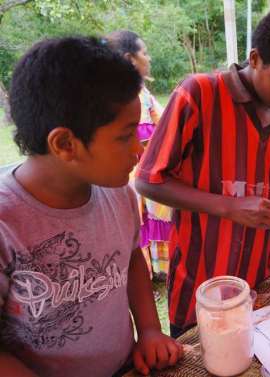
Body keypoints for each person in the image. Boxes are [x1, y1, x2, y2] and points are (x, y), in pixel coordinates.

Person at [135, 8, 270, 338]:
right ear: (255, 58)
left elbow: (265, 190)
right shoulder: (199, 95)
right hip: (200, 282)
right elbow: (149, 180)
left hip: (258, 280)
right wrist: (229, 207)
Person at [0, 37, 181, 377]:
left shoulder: (119, 194)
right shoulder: (6, 222)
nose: (138, 151)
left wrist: (151, 331)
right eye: (125, 136)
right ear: (66, 144)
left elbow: (130, 260)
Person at [105, 30, 171, 283]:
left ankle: (154, 269)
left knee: (147, 219)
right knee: (141, 220)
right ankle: (148, 270)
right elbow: (154, 131)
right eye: (144, 53)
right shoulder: (126, 98)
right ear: (129, 59)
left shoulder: (143, 94)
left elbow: (162, 122)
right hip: (136, 171)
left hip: (144, 168)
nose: (149, 58)